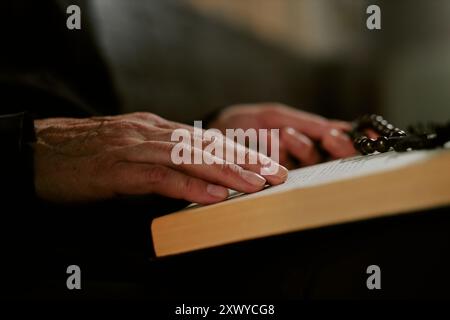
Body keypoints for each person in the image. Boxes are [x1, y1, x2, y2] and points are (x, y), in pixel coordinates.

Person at [0, 0, 355, 298]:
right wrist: (30, 147)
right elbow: (70, 137)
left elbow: (89, 126)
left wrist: (207, 135)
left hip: (118, 229)